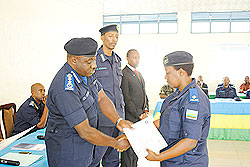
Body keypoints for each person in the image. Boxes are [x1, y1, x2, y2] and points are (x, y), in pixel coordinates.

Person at [45, 37, 133, 167]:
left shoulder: (86, 72)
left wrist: (118, 120)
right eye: (89, 62)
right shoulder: (65, 88)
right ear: (74, 60)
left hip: (85, 147)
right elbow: (85, 131)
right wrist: (115, 143)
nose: (94, 66)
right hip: (68, 151)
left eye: (94, 60)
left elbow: (101, 97)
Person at [145, 51, 211, 167]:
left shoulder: (193, 101)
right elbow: (164, 122)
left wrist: (158, 157)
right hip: (171, 160)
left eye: (168, 73)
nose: (165, 77)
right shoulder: (175, 96)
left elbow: (190, 142)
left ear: (181, 72)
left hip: (187, 163)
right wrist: (132, 132)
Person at [90, 25, 125, 167]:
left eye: (116, 37)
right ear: (102, 37)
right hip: (101, 117)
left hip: (118, 116)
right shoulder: (94, 60)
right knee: (96, 157)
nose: (114, 40)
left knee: (114, 158)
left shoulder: (117, 60)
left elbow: (118, 89)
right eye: (111, 36)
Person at [120, 49, 149, 167]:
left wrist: (146, 109)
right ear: (127, 58)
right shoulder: (124, 74)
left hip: (140, 117)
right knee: (128, 150)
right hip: (130, 117)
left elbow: (144, 94)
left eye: (138, 57)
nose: (137, 60)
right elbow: (126, 98)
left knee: (137, 147)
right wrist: (139, 113)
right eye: (134, 57)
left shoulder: (139, 74)